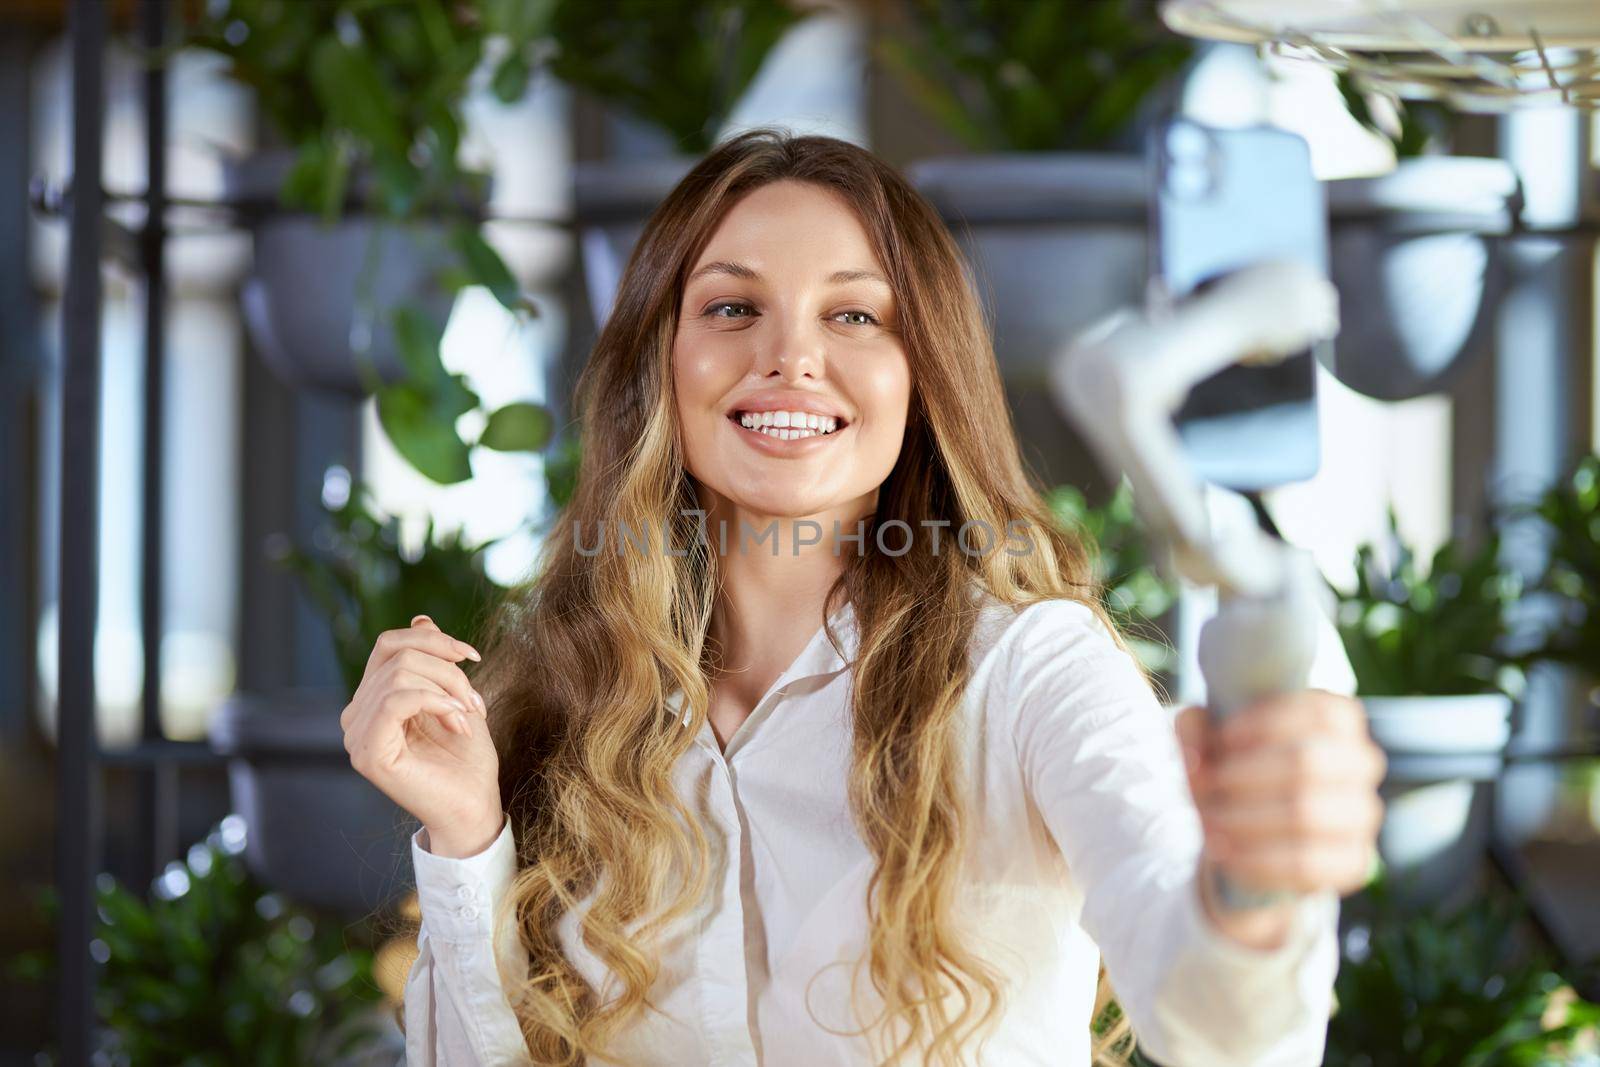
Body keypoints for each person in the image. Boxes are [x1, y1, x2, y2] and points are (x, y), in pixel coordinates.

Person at [339, 128, 1386, 1067]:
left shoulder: (1031, 671)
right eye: (733, 306)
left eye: (854, 313)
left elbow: (1222, 1031)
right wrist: (468, 832)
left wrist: (1254, 894)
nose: (791, 355)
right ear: (659, 362)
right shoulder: (570, 693)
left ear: (921, 374)